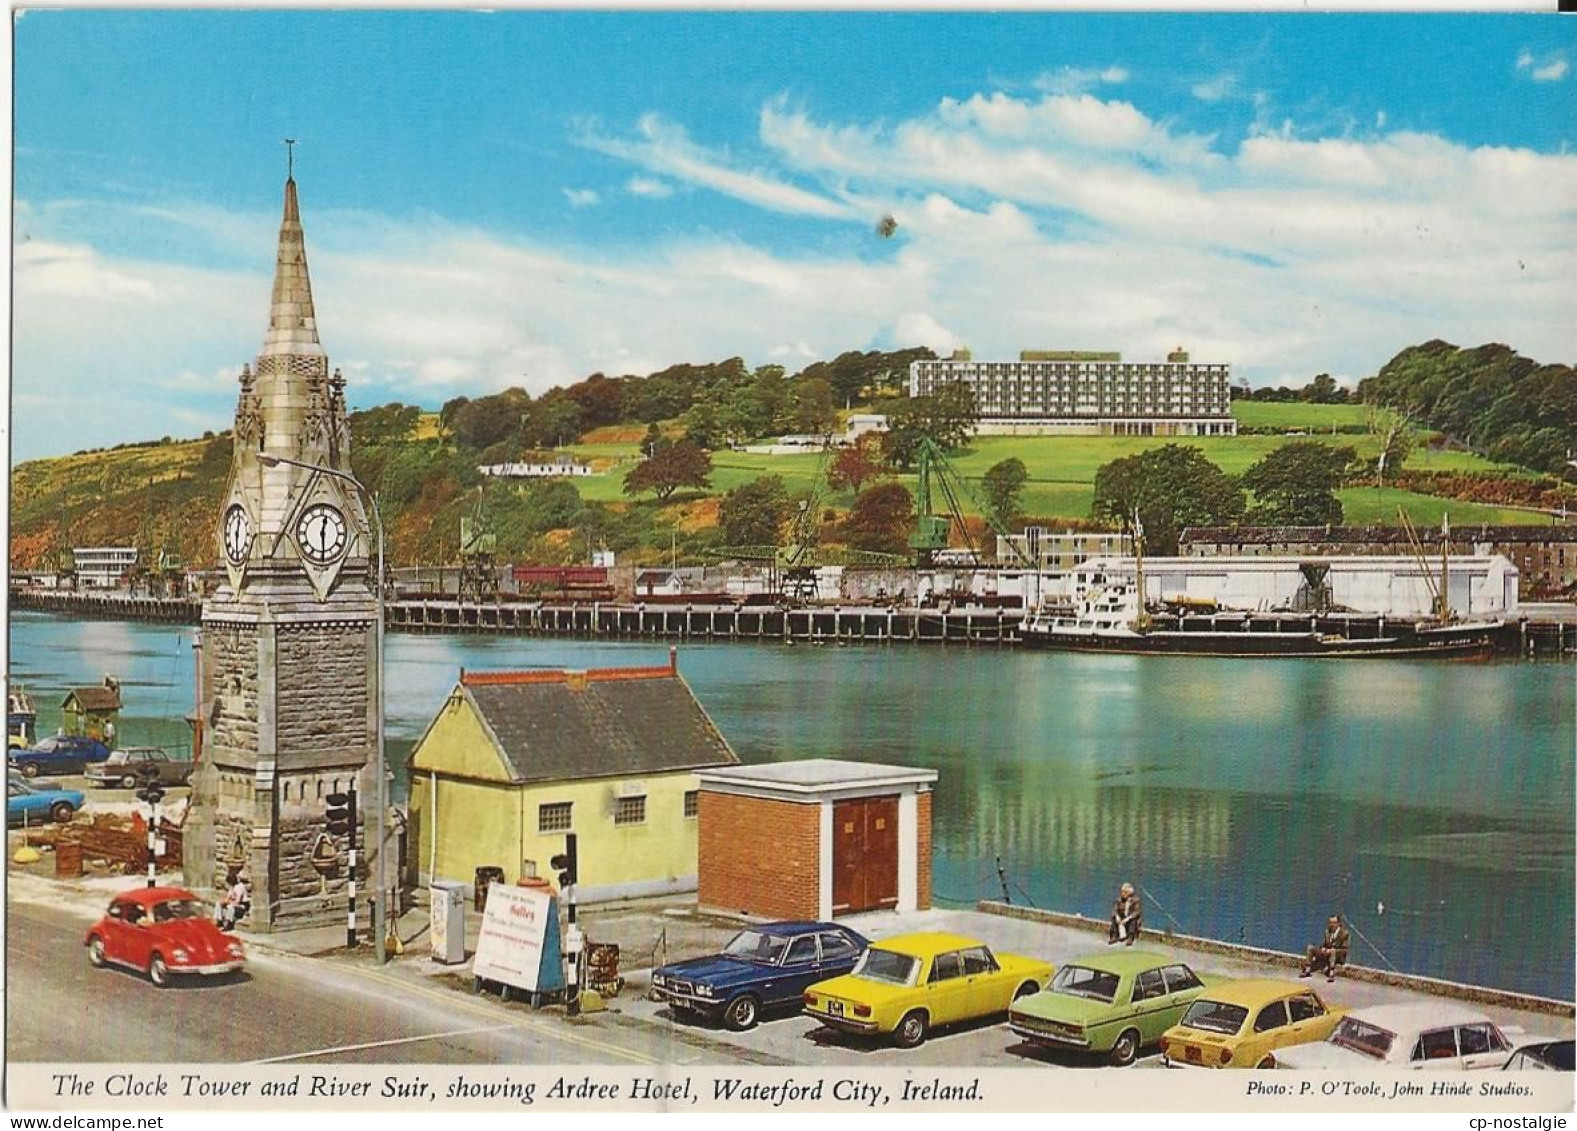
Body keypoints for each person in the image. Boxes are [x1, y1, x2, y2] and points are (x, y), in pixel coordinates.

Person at [1300, 914, 1350, 981]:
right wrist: (1323, 948)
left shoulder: (1344, 933)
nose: (1332, 925)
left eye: (1334, 923)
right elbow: (1323, 944)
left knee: (1333, 951)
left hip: (1337, 955)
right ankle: (1307, 969)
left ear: (1338, 923)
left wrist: (1332, 950)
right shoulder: (1327, 931)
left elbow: (1345, 949)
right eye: (1330, 923)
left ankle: (1331, 973)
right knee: (1310, 948)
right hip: (1326, 954)